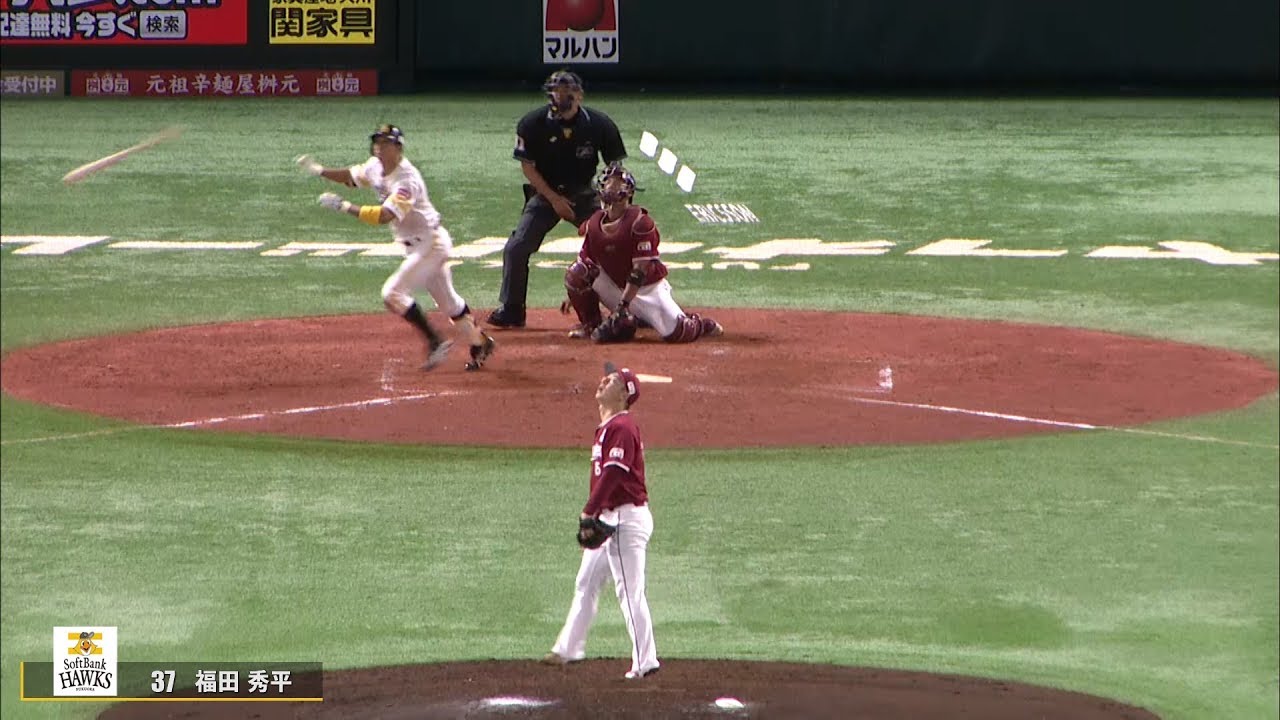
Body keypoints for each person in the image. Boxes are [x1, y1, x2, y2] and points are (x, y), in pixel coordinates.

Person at [297, 124, 496, 372]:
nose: (380, 148)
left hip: (431, 244)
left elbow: (385, 216)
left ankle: (435, 341)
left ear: (398, 148)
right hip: (418, 246)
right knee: (450, 304)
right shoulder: (374, 166)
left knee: (392, 293)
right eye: (377, 143)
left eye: (386, 143)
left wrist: (345, 207)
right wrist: (319, 170)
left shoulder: (407, 180)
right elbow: (350, 176)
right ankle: (481, 342)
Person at [543, 366, 660, 680]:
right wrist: (597, 513)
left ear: (624, 395)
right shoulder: (608, 427)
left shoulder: (622, 426)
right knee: (586, 582)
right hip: (611, 517)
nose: (605, 380)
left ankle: (645, 661)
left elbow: (614, 473)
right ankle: (568, 648)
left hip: (625, 519)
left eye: (614, 381)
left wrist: (589, 510)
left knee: (629, 592)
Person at [487, 69, 627, 329]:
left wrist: (613, 201)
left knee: (615, 243)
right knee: (516, 247)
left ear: (579, 95)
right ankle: (512, 309)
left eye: (566, 92)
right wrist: (554, 200)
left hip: (585, 194)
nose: (560, 97)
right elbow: (528, 167)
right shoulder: (531, 124)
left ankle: (630, 307)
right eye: (555, 92)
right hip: (545, 194)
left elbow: (615, 167)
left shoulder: (599, 124)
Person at [562, 162, 724, 343]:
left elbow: (639, 271)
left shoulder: (640, 223)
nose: (611, 185)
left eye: (617, 181)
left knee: (680, 333)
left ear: (628, 191)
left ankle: (699, 324)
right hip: (616, 285)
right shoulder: (594, 223)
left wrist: (623, 305)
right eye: (608, 181)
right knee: (577, 272)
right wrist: (576, 295)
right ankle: (591, 324)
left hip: (647, 289)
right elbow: (586, 261)